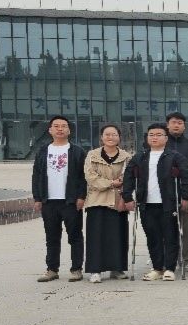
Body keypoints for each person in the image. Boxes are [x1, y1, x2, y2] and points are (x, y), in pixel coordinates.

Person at [122, 123, 188, 282]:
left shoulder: (175, 157)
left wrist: (185, 197)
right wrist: (127, 197)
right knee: (152, 236)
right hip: (146, 204)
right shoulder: (140, 157)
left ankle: (170, 268)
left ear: (166, 138)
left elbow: (187, 176)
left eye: (159, 135)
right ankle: (157, 268)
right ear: (147, 138)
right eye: (151, 135)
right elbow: (128, 177)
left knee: (170, 236)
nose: (154, 137)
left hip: (168, 203)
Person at [32, 115, 87, 282]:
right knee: (52, 237)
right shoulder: (43, 150)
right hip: (48, 201)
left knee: (75, 236)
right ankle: (52, 269)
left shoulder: (77, 151)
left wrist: (81, 196)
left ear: (69, 130)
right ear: (50, 130)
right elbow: (36, 175)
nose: (60, 129)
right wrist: (37, 198)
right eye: (56, 126)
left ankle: (76, 269)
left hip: (70, 201)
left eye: (64, 126)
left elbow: (83, 176)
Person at [81, 124, 130, 283]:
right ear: (101, 137)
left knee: (118, 236)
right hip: (97, 201)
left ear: (119, 137)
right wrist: (111, 183)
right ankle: (95, 270)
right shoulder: (92, 155)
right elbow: (90, 177)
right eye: (107, 134)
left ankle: (117, 268)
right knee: (95, 237)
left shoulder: (126, 157)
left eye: (114, 134)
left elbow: (129, 177)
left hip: (117, 201)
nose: (110, 137)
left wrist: (122, 183)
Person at [164, 112, 188, 273]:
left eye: (180, 123)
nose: (176, 125)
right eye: (173, 122)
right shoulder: (162, 143)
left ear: (184, 126)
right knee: (167, 227)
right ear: (168, 125)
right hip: (166, 193)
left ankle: (186, 258)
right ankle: (168, 259)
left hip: (187, 193)